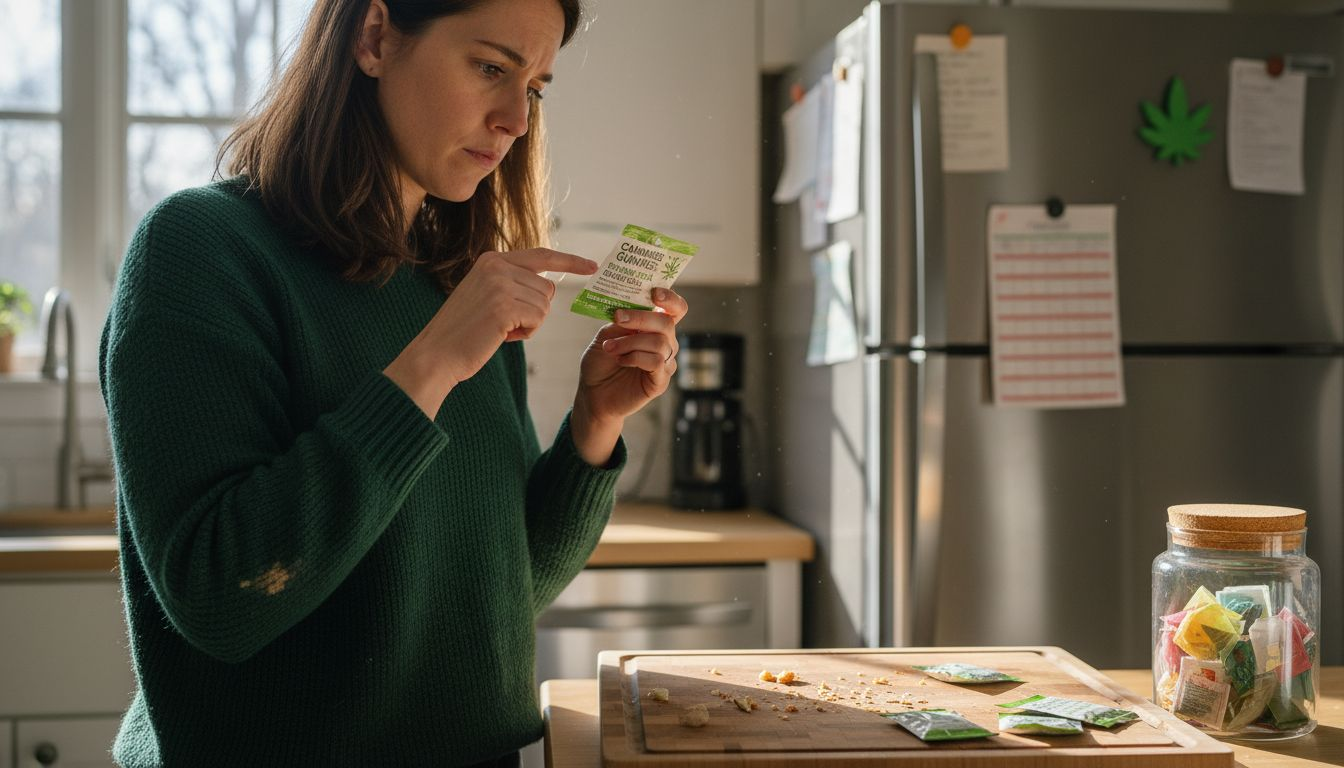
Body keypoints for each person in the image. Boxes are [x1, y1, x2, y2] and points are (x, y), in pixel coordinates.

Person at [99, 0, 687, 764]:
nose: (516, 118)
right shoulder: (200, 250)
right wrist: (430, 366)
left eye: (535, 87)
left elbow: (492, 600)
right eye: (490, 67)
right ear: (375, 38)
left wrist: (593, 427)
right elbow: (223, 599)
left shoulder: (457, 283)